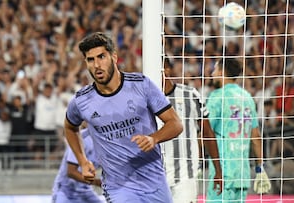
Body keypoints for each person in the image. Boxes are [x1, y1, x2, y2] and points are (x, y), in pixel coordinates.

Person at [64, 32, 183, 203]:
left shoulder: (141, 85)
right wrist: (82, 161)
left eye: (101, 57)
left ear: (114, 57)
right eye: (91, 60)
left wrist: (153, 139)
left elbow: (176, 124)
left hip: (154, 181)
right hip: (118, 187)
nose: (97, 65)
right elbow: (69, 127)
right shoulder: (81, 101)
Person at [206, 58, 271, 202]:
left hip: (221, 173)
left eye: (214, 70)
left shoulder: (217, 97)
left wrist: (196, 162)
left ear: (222, 72)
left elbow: (206, 132)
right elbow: (256, 137)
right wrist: (260, 168)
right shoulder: (247, 97)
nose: (212, 74)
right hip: (242, 174)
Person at [162, 62, 222, 203]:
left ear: (168, 69)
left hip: (185, 177)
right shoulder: (146, 100)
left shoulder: (190, 95)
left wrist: (218, 170)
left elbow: (207, 133)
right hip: (155, 178)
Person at [52, 124, 105, 203]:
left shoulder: (108, 143)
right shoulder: (81, 138)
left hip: (85, 191)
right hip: (66, 191)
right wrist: (97, 182)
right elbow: (71, 172)